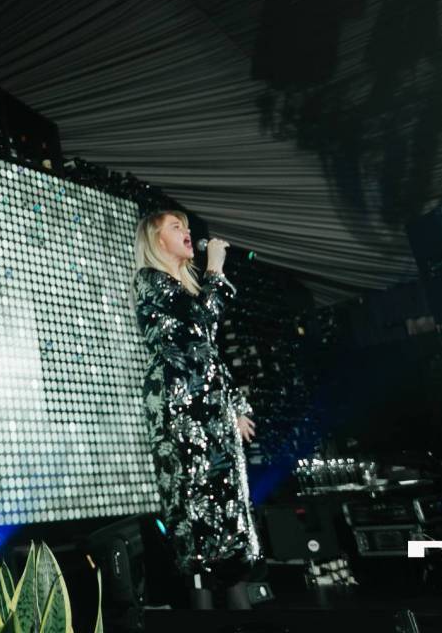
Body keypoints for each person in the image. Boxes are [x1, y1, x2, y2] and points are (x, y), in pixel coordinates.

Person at [132, 210, 261, 610]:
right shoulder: (150, 280)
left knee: (227, 506)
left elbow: (208, 353)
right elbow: (204, 318)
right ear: (158, 241)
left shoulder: (189, 290)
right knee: (196, 506)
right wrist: (216, 268)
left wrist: (235, 407)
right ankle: (203, 609)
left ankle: (239, 604)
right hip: (182, 410)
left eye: (187, 227)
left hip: (212, 412)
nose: (187, 232)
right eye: (177, 227)